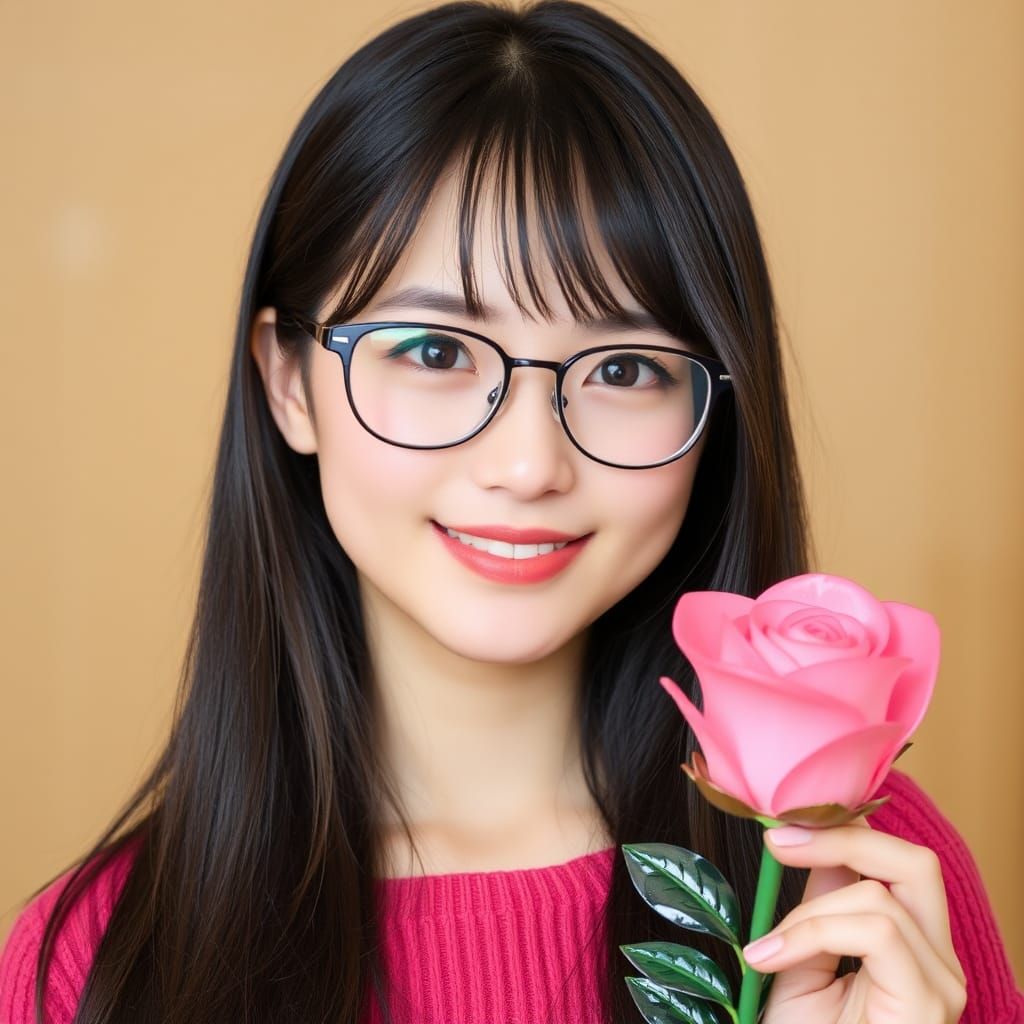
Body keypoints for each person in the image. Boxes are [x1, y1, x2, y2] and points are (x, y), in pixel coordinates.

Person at [1, 1, 1021, 1022]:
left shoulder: (856, 895)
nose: (530, 462)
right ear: (289, 383)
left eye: (624, 367)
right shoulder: (94, 960)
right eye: (436, 351)